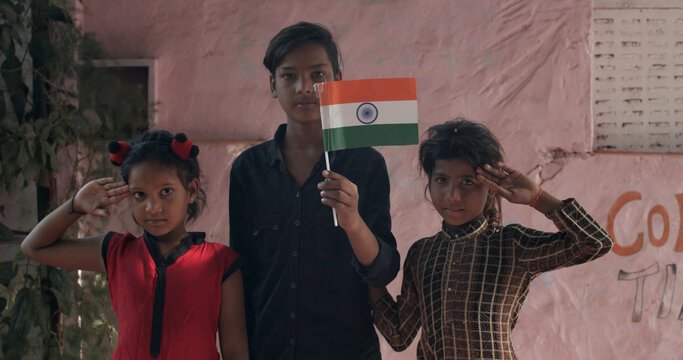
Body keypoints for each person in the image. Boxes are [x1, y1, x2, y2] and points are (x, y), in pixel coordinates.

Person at [370, 119, 613, 359]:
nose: (452, 196)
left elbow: (594, 243)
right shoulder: (422, 253)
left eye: (468, 182)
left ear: (491, 188)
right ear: (430, 184)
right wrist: (366, 265)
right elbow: (399, 336)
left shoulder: (512, 245)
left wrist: (537, 197)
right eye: (442, 180)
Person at [229, 22, 400, 359]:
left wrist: (353, 221)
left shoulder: (366, 164)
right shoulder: (248, 170)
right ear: (272, 85)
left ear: (337, 78)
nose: (303, 87)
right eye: (289, 76)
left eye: (317, 75)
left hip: (346, 350)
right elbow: (240, 273)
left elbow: (384, 270)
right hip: (269, 349)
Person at [21, 130, 249, 360]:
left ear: (191, 191)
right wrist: (76, 205)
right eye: (139, 194)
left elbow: (235, 351)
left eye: (166, 192)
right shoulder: (116, 251)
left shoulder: (221, 263)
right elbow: (34, 247)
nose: (152, 207)